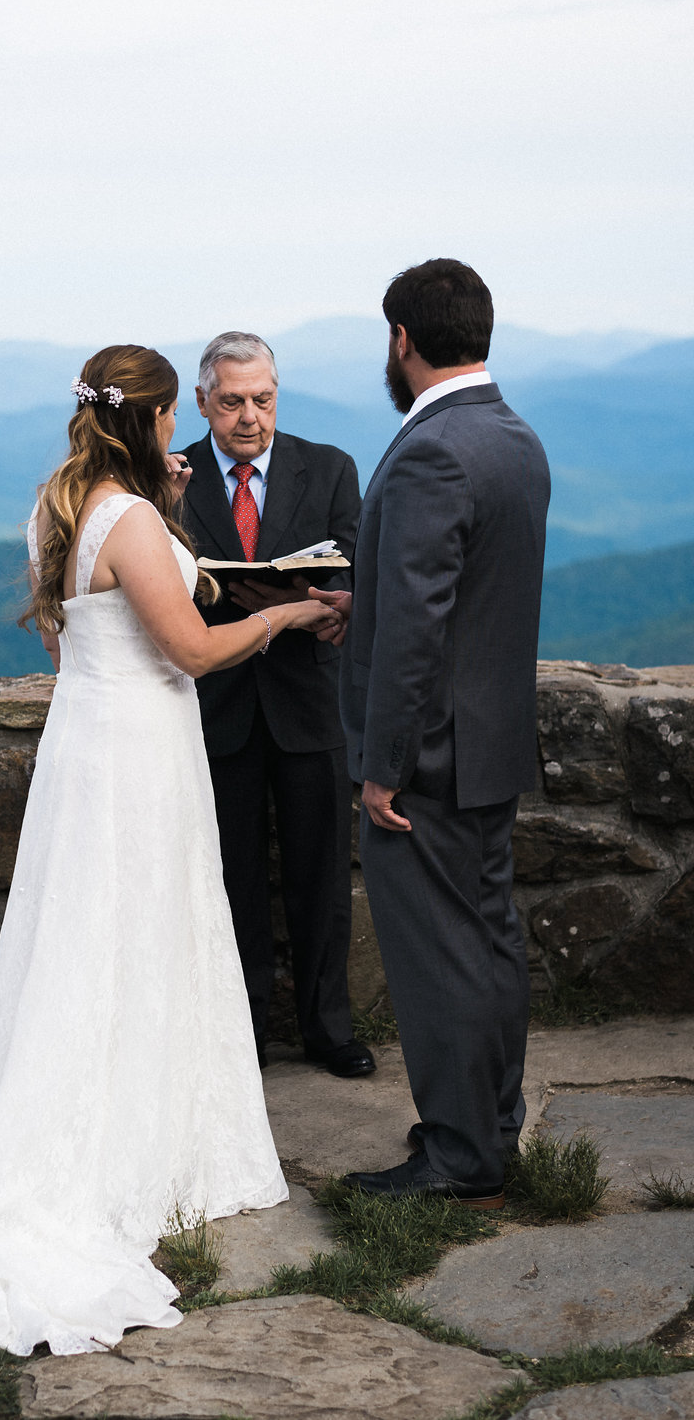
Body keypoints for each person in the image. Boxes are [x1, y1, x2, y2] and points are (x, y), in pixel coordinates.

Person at [0, 344, 339, 1356]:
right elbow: (191, 648)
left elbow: (70, 643)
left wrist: (164, 511)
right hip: (141, 752)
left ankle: (117, 1132)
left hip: (87, 738)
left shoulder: (55, 509)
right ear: (155, 418)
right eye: (169, 422)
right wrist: (287, 610)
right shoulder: (133, 517)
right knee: (140, 941)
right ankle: (119, 1161)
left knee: (87, 948)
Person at [314, 259, 550, 1209]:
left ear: (400, 341)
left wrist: (382, 767)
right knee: (489, 941)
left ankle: (458, 1156)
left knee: (439, 958)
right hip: (489, 742)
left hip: (430, 757)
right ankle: (488, 1127)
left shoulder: (429, 451)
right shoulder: (514, 438)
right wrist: (356, 604)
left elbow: (418, 626)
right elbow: (453, 597)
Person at [182, 331, 375, 1077]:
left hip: (308, 700)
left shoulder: (328, 469)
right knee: (229, 879)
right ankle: (244, 1036)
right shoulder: (173, 476)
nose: (250, 417)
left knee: (321, 875)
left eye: (262, 399)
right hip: (213, 703)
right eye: (231, 402)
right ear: (203, 402)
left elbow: (359, 565)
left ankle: (330, 1031)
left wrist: (342, 601)